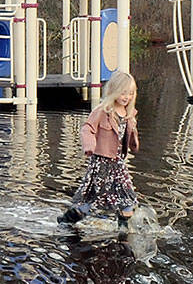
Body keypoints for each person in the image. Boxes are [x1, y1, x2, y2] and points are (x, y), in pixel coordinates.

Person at [60, 71, 141, 228]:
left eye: (130, 94)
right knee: (93, 198)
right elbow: (87, 128)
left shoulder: (129, 114)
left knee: (128, 199)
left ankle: (123, 229)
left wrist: (134, 142)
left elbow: (129, 133)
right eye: (123, 93)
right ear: (114, 90)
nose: (127, 97)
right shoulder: (103, 110)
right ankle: (67, 220)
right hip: (101, 163)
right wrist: (90, 145)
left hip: (118, 163)